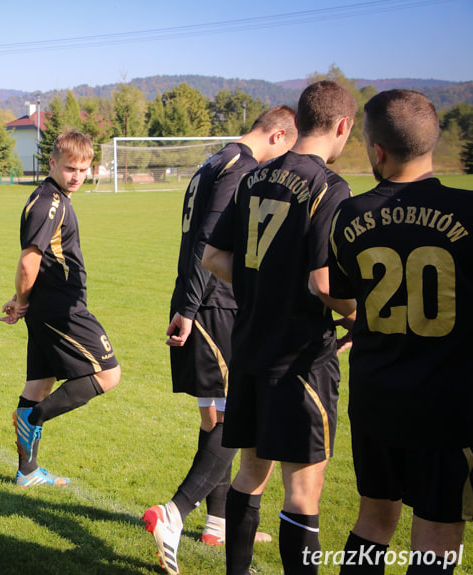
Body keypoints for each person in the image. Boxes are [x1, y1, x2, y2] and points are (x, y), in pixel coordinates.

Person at [201, 80, 358, 575]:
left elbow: (213, 256)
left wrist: (259, 286)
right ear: (342, 126)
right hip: (300, 358)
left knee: (250, 473)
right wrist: (357, 314)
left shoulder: (254, 177)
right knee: (303, 491)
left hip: (248, 346)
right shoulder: (329, 187)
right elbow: (322, 282)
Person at [143, 106, 297, 575]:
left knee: (216, 418)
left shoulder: (212, 161)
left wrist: (185, 304)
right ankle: (173, 514)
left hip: (198, 302)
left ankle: (218, 524)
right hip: (215, 305)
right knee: (234, 419)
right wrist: (190, 308)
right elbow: (208, 241)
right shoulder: (241, 168)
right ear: (278, 135)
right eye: (285, 151)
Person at [329, 90, 473, 575]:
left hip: (376, 396)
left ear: (378, 150)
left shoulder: (349, 216)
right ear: (432, 143)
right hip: (447, 402)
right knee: (437, 529)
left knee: (373, 518)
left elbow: (342, 294)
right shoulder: (470, 213)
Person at [0, 130, 121, 487]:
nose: (77, 176)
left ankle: (27, 472)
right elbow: (28, 262)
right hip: (60, 310)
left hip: (47, 306)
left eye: (84, 169)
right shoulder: (48, 203)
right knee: (107, 374)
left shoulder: (55, 198)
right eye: (70, 168)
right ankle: (33, 419)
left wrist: (23, 300)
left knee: (39, 383)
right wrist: (22, 301)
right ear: (52, 163)